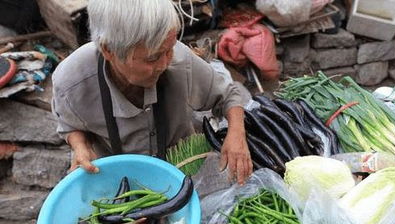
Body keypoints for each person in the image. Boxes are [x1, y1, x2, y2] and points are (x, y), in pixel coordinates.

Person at [51, 0, 252, 184]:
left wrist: (236, 133)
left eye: (169, 49)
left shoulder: (180, 61)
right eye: (152, 58)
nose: (165, 64)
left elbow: (228, 96)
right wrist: (80, 146)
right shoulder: (71, 83)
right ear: (109, 50)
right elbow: (69, 124)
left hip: (183, 164)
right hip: (115, 177)